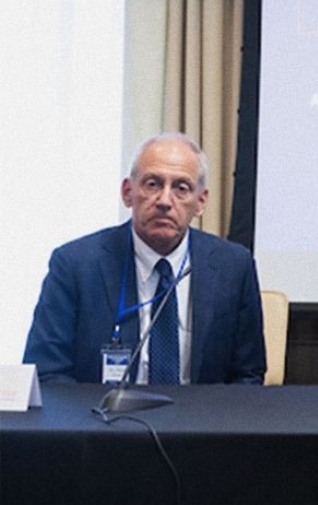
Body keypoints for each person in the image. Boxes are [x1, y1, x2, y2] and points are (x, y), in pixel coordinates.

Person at [23, 132, 266, 385]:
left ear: (200, 202)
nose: (164, 201)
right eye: (152, 184)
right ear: (128, 192)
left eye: (181, 188)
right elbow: (47, 371)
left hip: (201, 421)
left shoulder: (234, 266)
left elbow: (247, 375)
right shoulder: (75, 264)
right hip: (103, 419)